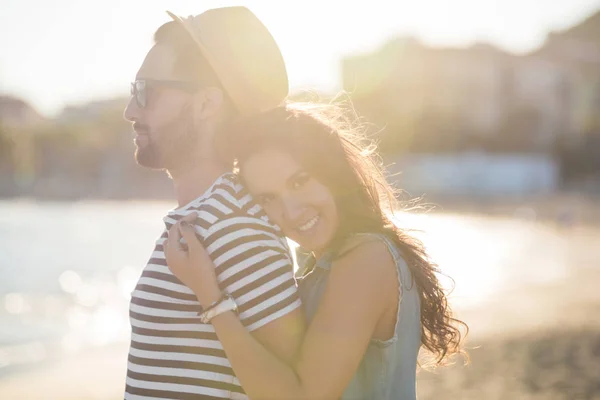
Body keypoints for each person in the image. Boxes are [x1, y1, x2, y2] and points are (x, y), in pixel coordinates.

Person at [165, 102, 469, 400]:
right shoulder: (321, 264)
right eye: (268, 199)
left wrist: (212, 299)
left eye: (299, 182)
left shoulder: (367, 259)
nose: (291, 211)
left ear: (331, 172)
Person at [122, 7, 305, 400]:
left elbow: (289, 392)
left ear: (206, 104)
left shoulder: (235, 225)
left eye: (145, 92)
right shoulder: (207, 216)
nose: (130, 111)